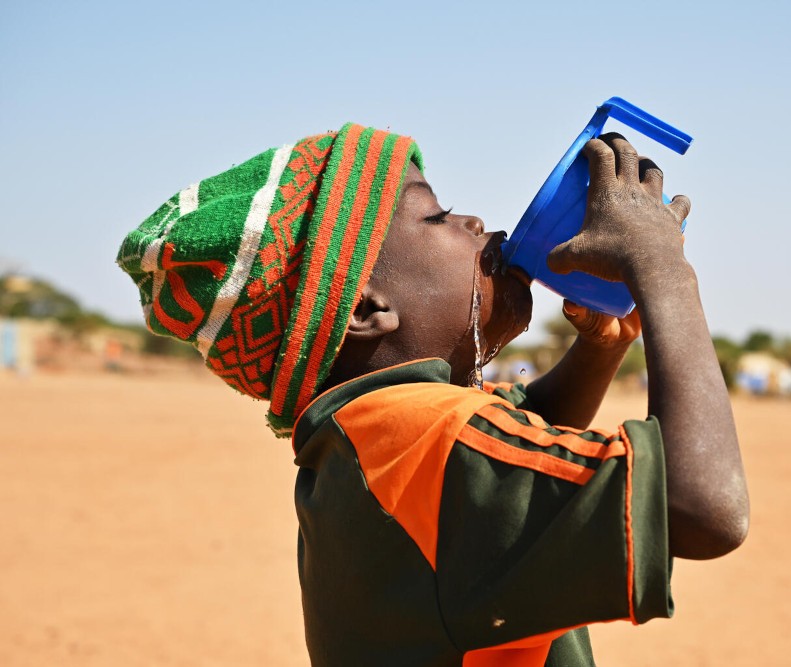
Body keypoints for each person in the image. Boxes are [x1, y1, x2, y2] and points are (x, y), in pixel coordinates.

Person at [117, 123, 749, 666]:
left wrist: (600, 348)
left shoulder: (371, 437)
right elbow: (702, 510)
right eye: (438, 217)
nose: (475, 222)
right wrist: (664, 270)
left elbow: (521, 445)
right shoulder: (427, 439)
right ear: (365, 309)